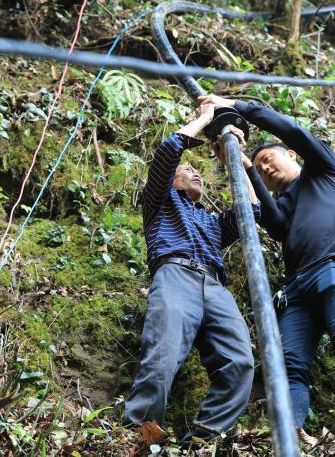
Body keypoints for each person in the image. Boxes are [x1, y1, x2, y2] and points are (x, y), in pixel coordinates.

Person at [199, 94, 335, 437]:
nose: (266, 168)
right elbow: (275, 223)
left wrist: (238, 107)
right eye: (261, 167)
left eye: (268, 159)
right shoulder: (286, 206)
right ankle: (292, 435)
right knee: (290, 366)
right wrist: (245, 168)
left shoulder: (324, 171)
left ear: (290, 155)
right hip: (297, 288)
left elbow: (295, 131)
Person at [123, 103, 261, 442]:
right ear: (171, 179)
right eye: (188, 169)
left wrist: (234, 159)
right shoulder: (158, 202)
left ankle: (201, 442)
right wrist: (207, 119)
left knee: (240, 363)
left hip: (214, 286)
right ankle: (138, 436)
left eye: (198, 171)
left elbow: (251, 210)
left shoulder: (211, 223)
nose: (196, 173)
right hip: (175, 275)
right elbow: (171, 149)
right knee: (163, 355)